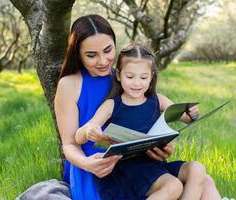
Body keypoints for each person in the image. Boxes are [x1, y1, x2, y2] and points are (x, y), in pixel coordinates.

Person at [55, 14, 221, 200]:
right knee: (177, 186)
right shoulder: (70, 84)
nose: (102, 61)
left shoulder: (128, 76)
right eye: (91, 55)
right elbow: (69, 144)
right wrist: (87, 163)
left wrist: (161, 148)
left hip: (142, 163)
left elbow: (145, 118)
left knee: (204, 180)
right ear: (77, 53)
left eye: (108, 50)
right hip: (99, 168)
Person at [75, 43, 184, 200]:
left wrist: (191, 113)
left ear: (152, 75)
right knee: (174, 186)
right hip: (122, 169)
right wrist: (89, 130)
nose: (137, 83)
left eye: (144, 77)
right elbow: (78, 137)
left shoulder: (157, 100)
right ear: (118, 75)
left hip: (152, 164)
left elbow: (184, 115)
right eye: (130, 77)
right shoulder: (112, 104)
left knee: (198, 171)